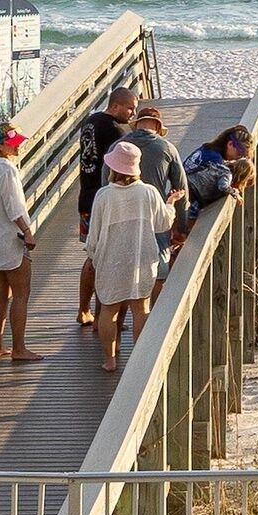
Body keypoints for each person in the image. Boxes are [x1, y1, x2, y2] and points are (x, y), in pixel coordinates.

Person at [79, 139, 170, 368]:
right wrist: (170, 204)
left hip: (111, 260)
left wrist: (91, 255)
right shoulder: (148, 192)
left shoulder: (103, 195)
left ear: (113, 168)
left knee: (109, 309)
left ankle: (110, 360)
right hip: (142, 258)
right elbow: (163, 224)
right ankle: (138, 362)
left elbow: (94, 234)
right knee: (140, 308)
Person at [0, 124, 38, 362]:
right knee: (21, 294)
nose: (18, 145)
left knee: (2, 292)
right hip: (11, 238)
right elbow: (13, 205)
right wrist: (27, 231)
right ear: (0, 145)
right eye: (13, 142)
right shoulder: (6, 169)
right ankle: (19, 348)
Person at [171, 122, 254, 252]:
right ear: (230, 144)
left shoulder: (208, 149)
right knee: (183, 234)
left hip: (180, 190)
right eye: (241, 154)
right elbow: (221, 186)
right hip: (188, 197)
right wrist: (234, 192)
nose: (240, 158)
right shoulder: (217, 161)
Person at [75, 84, 137, 236]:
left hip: (85, 199)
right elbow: (118, 169)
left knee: (91, 251)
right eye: (130, 108)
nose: (133, 114)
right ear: (115, 106)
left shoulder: (90, 121)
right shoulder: (115, 131)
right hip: (105, 201)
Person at [129, 102, 189, 213]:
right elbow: (180, 187)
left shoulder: (116, 147)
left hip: (121, 219)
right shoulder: (167, 148)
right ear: (158, 126)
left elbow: (105, 185)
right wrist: (182, 225)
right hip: (155, 216)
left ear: (136, 125)